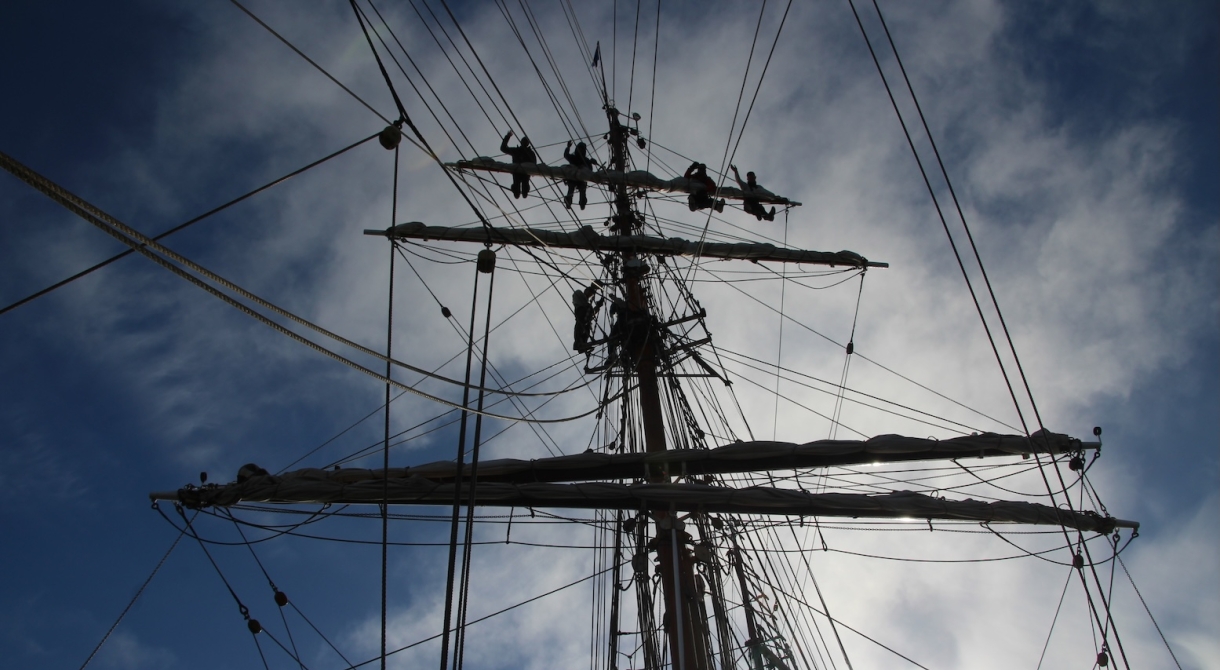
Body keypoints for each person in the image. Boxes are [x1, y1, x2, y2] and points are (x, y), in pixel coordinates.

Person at [500, 130, 537, 198]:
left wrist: (533, 172)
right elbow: (503, 148)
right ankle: (518, 190)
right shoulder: (517, 150)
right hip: (517, 171)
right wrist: (508, 137)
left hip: (525, 172)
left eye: (526, 141)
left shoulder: (530, 153)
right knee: (517, 193)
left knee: (524, 192)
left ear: (528, 143)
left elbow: (534, 164)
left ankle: (522, 190)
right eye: (524, 141)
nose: (525, 142)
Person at [562, 141, 597, 210]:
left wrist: (591, 162)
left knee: (582, 189)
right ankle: (569, 200)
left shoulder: (586, 160)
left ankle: (582, 202)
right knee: (571, 187)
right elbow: (566, 155)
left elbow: (589, 171)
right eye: (579, 148)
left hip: (581, 179)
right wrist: (568, 147)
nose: (580, 150)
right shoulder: (574, 157)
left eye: (582, 149)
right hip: (573, 177)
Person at [572, 285, 602, 352]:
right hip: (580, 312)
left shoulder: (587, 304)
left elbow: (592, 313)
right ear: (585, 290)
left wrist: (598, 306)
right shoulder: (579, 293)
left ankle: (583, 345)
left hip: (586, 316)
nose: (590, 294)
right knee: (580, 325)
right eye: (590, 292)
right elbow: (583, 303)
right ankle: (578, 343)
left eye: (591, 294)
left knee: (587, 329)